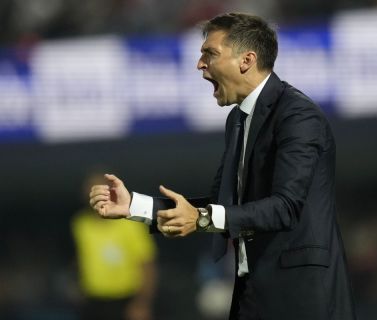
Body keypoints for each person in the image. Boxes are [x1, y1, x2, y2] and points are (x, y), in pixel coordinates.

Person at [89, 12, 357, 319]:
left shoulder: (297, 116)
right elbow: (222, 206)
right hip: (253, 295)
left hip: (303, 300)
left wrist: (203, 218)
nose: (200, 65)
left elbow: (285, 207)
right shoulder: (238, 121)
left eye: (210, 54)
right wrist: (136, 206)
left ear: (246, 60)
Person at [73, 172, 157, 320]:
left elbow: (147, 265)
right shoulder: (80, 224)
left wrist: (141, 304)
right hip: (93, 301)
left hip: (126, 299)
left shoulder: (131, 223)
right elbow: (80, 260)